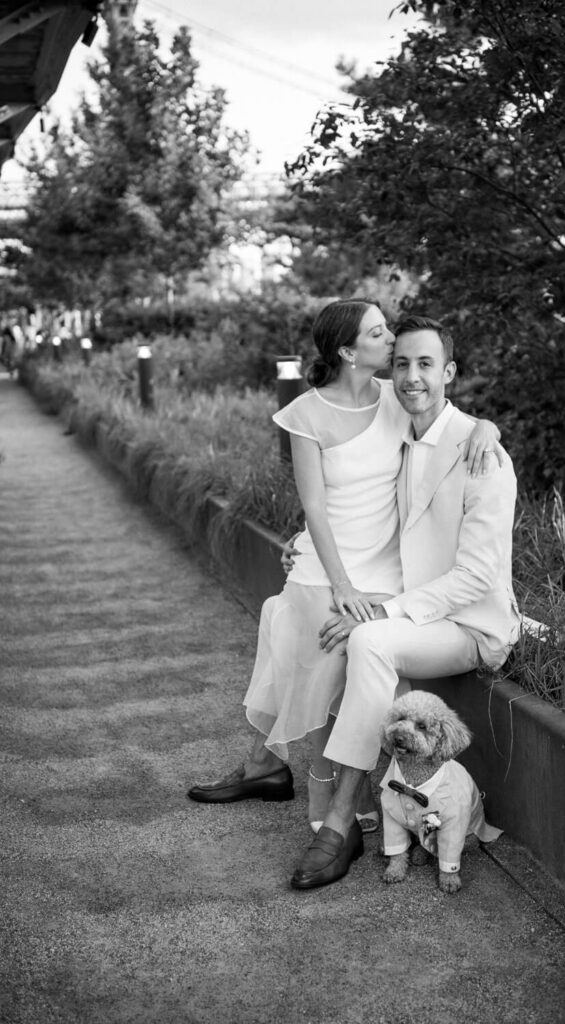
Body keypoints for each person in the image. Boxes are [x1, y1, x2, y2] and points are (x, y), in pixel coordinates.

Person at [187, 299, 502, 832]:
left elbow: (447, 416)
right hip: (330, 564)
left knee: (335, 660)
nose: (392, 342)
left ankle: (278, 771)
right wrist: (339, 583)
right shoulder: (307, 412)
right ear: (349, 351)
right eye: (379, 334)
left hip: (382, 567)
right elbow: (315, 505)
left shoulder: (394, 395)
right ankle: (317, 788)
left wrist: (487, 428)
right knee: (319, 653)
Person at [290, 314, 521, 890]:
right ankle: (359, 802)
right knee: (355, 638)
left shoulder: (481, 452)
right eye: (401, 363)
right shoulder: (402, 435)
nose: (412, 376)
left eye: (426, 364)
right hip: (421, 614)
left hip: (469, 625)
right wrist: (301, 549)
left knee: (367, 637)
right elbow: (353, 504)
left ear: (449, 372)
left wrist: (384, 610)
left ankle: (340, 819)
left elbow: (474, 576)